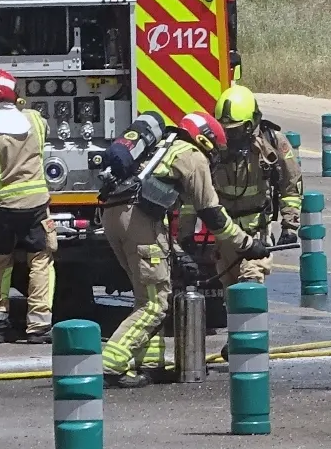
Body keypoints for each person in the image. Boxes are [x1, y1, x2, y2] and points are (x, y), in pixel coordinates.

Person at [101, 111, 266, 388]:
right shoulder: (192, 155)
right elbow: (212, 214)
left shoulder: (162, 147)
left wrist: (176, 250)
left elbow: (158, 207)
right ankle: (111, 364)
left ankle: (151, 364)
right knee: (154, 304)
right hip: (137, 220)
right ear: (206, 140)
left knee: (147, 295)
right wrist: (246, 244)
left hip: (114, 215)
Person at [0, 69, 56, 344]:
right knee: (40, 261)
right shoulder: (34, 120)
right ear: (14, 95)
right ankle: (39, 326)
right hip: (36, 206)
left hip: (2, 208)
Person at [207, 84, 304, 288]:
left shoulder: (272, 142)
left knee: (249, 286)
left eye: (235, 130)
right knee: (229, 293)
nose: (229, 136)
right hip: (225, 236)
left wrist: (289, 227)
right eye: (225, 130)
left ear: (250, 125)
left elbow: (291, 185)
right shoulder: (214, 146)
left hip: (257, 234)